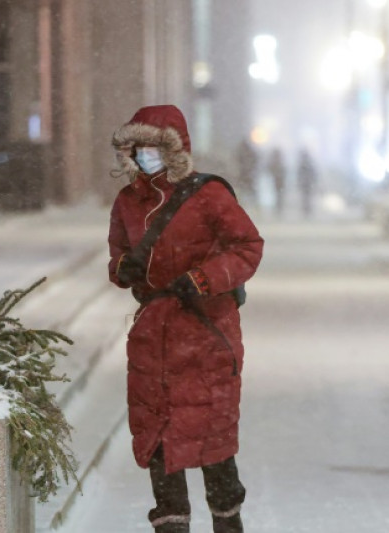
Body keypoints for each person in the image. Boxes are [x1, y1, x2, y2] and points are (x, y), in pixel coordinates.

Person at [108, 104, 264, 533]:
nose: (142, 155)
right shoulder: (127, 202)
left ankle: (227, 523)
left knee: (213, 445)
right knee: (160, 445)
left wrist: (203, 278)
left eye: (152, 147)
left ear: (172, 148)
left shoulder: (208, 196)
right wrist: (123, 270)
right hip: (152, 341)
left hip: (205, 335)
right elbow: (119, 253)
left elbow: (247, 246)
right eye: (135, 148)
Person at [296, 148, 318, 218]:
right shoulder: (307, 163)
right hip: (307, 183)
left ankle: (307, 210)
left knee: (306, 198)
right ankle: (306, 210)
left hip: (306, 183)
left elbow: (300, 174)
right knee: (306, 198)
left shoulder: (304, 163)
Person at [267, 148, 286, 216]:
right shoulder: (278, 162)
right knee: (278, 196)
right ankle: (278, 208)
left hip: (278, 182)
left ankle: (278, 208)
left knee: (278, 196)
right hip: (277, 182)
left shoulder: (277, 162)